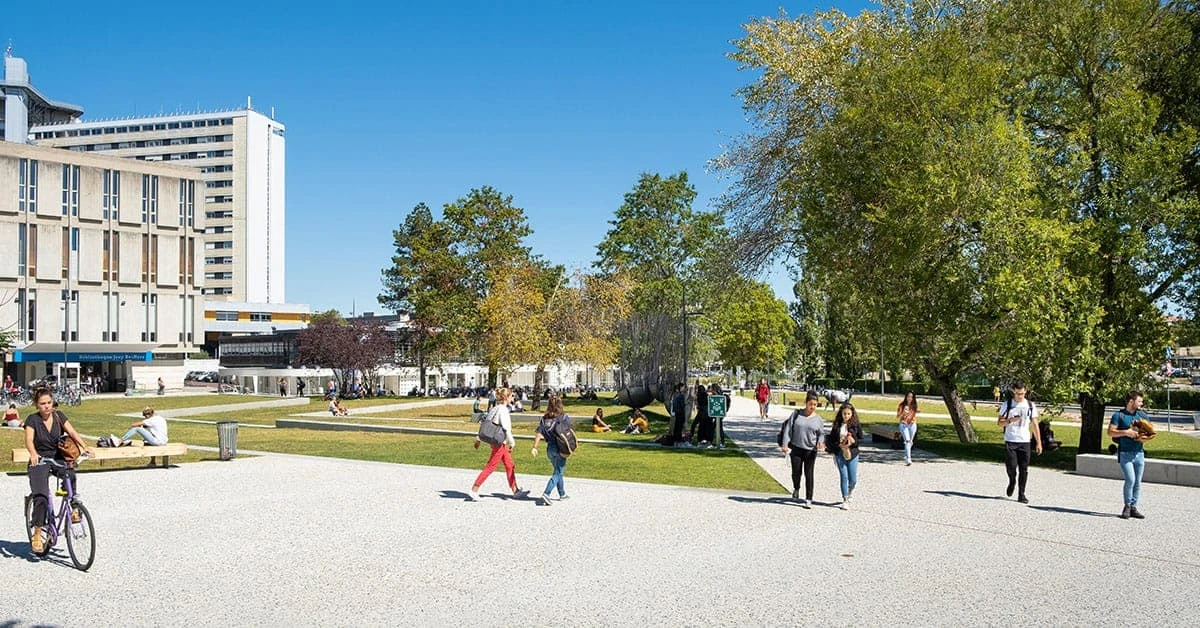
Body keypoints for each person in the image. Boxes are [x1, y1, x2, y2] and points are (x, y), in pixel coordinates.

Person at [24, 388, 91, 554]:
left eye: (49, 403)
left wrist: (84, 446)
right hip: (39, 460)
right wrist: (33, 454)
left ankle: (73, 507)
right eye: (43, 404)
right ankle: (37, 534)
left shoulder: (58, 416)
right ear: (37, 405)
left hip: (57, 457)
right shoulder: (32, 420)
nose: (47, 406)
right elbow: (29, 440)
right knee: (41, 497)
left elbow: (72, 432)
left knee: (71, 473)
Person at [468, 387, 528, 501]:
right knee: (491, 466)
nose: (513, 398)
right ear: (507, 397)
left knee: (510, 464)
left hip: (496, 441)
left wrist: (478, 439)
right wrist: (512, 442)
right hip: (500, 442)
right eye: (511, 396)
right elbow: (506, 428)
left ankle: (515, 490)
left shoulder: (494, 408)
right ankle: (474, 489)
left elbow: (486, 425)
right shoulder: (503, 410)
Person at [997, 382, 1042, 504]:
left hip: (1025, 441)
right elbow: (1000, 423)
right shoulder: (1008, 404)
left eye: (1021, 393)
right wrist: (1010, 420)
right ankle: (1012, 481)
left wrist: (1038, 442)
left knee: (1024, 469)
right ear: (1013, 392)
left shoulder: (1030, 405)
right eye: (1017, 393)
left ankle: (1021, 494)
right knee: (1011, 467)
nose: (1019, 396)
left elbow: (1035, 424)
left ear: (1025, 391)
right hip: (1011, 440)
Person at [779, 391, 825, 508]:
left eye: (815, 405)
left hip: (810, 450)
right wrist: (785, 444)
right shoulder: (796, 414)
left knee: (809, 474)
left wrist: (820, 441)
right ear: (806, 403)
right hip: (796, 448)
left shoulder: (818, 419)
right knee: (796, 472)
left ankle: (809, 498)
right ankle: (796, 488)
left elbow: (821, 433)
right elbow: (788, 429)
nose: (812, 407)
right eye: (810, 404)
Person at [1108, 390, 1149, 519]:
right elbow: (1110, 432)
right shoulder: (1118, 415)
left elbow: (1149, 432)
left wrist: (1144, 437)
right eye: (1139, 401)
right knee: (1130, 479)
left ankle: (1133, 507)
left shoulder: (1142, 415)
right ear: (1131, 401)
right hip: (1125, 453)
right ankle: (1126, 506)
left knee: (1137, 482)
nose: (1142, 403)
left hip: (1139, 453)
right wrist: (1126, 432)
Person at [531, 395, 571, 505]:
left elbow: (539, 433)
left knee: (558, 471)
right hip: (560, 448)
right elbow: (569, 432)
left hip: (549, 449)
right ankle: (546, 493)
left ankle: (562, 494)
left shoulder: (544, 419)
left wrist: (535, 447)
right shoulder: (563, 417)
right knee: (558, 472)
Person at [828, 403, 864, 509]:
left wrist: (853, 441)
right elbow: (831, 439)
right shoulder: (837, 425)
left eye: (848, 414)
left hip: (852, 454)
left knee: (853, 479)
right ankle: (845, 499)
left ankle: (850, 491)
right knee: (844, 476)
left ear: (852, 414)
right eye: (844, 414)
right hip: (840, 453)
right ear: (841, 414)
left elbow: (861, 439)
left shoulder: (856, 425)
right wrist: (837, 444)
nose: (846, 416)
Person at [897, 391, 919, 466]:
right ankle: (908, 459)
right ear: (906, 397)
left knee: (910, 442)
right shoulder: (902, 405)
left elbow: (917, 411)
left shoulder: (914, 405)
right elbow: (898, 415)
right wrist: (903, 413)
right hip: (904, 425)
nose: (910, 398)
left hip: (912, 424)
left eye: (911, 397)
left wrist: (917, 411)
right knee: (907, 440)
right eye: (908, 396)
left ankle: (906, 454)